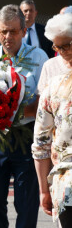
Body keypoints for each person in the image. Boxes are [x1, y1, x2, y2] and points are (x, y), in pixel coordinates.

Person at [0, 4, 49, 228]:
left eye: (13, 31)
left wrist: (15, 110)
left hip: (26, 135)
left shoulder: (39, 57)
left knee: (25, 202)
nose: (7, 36)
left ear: (23, 31)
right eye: (3, 31)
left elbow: (44, 100)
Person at [32, 70, 72, 226]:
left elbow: (41, 144)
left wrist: (43, 190)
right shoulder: (54, 85)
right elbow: (41, 144)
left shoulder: (54, 86)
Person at [38, 13, 72, 93]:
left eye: (66, 46)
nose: (62, 51)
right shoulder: (50, 66)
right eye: (57, 47)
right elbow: (43, 98)